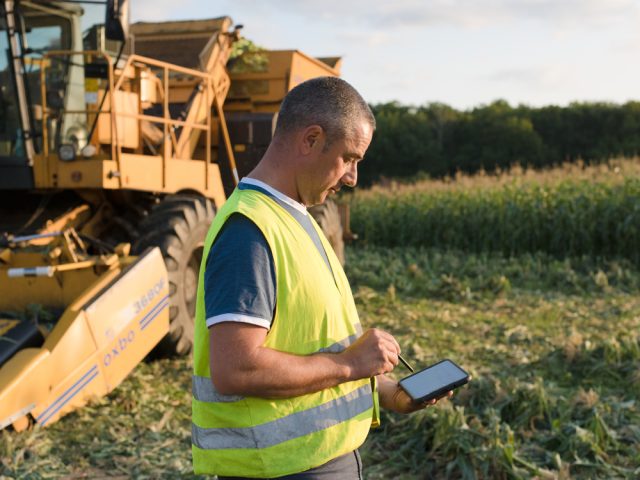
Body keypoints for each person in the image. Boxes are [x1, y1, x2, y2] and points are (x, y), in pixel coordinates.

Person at [192, 77, 450, 479]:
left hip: (319, 461)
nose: (352, 177)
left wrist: (389, 394)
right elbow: (235, 369)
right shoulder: (249, 231)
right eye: (350, 158)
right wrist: (349, 365)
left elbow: (312, 349)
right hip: (282, 470)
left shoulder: (297, 219)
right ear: (311, 139)